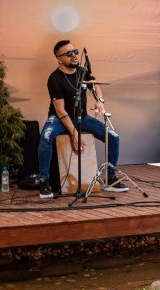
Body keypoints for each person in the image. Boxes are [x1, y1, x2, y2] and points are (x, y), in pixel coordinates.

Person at [38, 40, 128, 199]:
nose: (74, 56)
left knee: (113, 137)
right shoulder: (54, 79)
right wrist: (74, 133)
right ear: (59, 59)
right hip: (60, 118)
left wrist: (100, 102)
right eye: (68, 54)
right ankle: (44, 181)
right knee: (46, 137)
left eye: (75, 51)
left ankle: (112, 178)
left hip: (83, 117)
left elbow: (96, 87)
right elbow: (59, 109)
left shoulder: (83, 71)